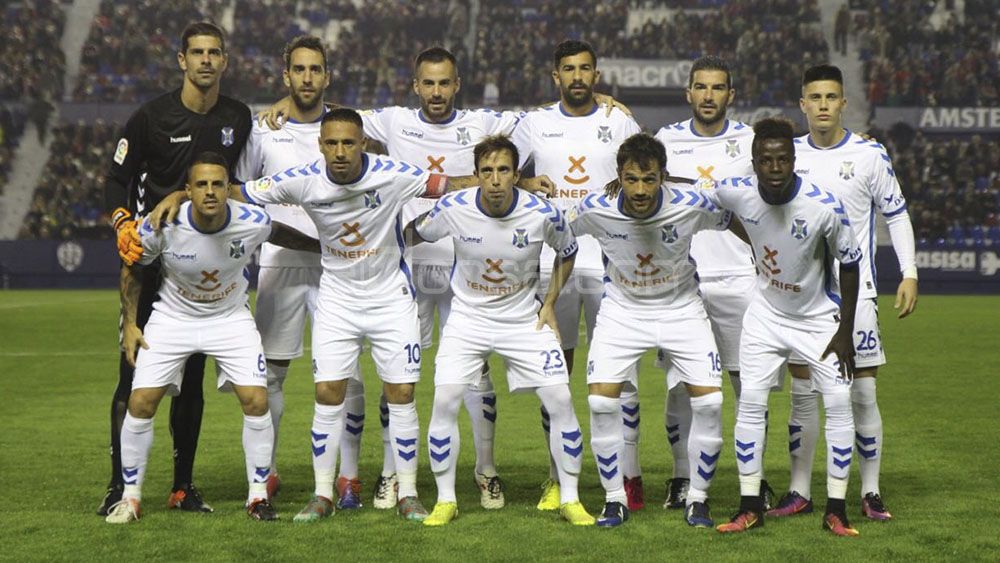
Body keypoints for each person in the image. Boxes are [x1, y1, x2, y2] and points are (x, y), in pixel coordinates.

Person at [237, 108, 465, 523]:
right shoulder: (303, 179)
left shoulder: (392, 173)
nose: (340, 151)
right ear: (321, 145)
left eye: (348, 143)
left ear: (363, 143)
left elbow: (449, 184)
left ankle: (408, 492)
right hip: (338, 303)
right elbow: (240, 192)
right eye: (332, 143)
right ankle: (323, 494)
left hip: (391, 300)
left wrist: (512, 184)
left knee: (402, 396)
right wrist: (180, 196)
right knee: (327, 395)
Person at [106, 152, 318, 524]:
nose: (210, 191)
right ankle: (130, 498)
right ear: (187, 190)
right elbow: (132, 266)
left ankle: (257, 497)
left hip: (229, 319)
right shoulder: (162, 225)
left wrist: (322, 246)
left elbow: (279, 232)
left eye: (217, 184)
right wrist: (130, 326)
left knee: (256, 399)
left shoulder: (250, 220)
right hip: (173, 318)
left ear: (227, 188)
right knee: (140, 403)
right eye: (201, 184)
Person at [100, 21, 252, 516]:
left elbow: (233, 184)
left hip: (201, 267)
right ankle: (118, 487)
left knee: (192, 377)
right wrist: (124, 222)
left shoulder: (239, 117)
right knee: (133, 380)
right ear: (181, 60)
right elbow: (115, 179)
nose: (206, 60)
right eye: (197, 53)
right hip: (151, 265)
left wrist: (185, 194)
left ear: (224, 61)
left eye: (215, 52)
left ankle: (183, 486)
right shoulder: (150, 117)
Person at [406, 135, 594, 527]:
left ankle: (571, 499)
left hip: (524, 319)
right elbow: (413, 233)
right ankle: (446, 501)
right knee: (444, 401)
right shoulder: (452, 207)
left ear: (515, 175)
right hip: (467, 320)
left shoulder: (542, 212)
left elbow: (568, 252)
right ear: (476, 175)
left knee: (560, 399)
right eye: (487, 171)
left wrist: (550, 301)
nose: (494, 180)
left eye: (503, 170)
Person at [766, 64, 917, 521]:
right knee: (803, 394)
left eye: (832, 98)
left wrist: (909, 272)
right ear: (803, 104)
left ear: (843, 103)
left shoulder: (869, 155)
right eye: (816, 98)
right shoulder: (786, 155)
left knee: (864, 395)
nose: (824, 106)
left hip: (859, 292)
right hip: (801, 295)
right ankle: (799, 490)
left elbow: (897, 213)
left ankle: (869, 492)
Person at [709, 117, 863, 537]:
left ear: (794, 160)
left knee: (837, 405)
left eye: (783, 159)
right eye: (766, 160)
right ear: (754, 163)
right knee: (751, 404)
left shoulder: (824, 206)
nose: (775, 168)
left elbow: (850, 265)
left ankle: (835, 508)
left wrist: (845, 331)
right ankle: (749, 505)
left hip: (819, 321)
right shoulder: (736, 192)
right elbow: (700, 197)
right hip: (765, 316)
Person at [574, 134, 735, 528]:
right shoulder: (594, 208)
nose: (641, 190)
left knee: (711, 404)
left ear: (664, 176)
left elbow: (734, 220)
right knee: (600, 403)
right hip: (622, 311)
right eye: (631, 180)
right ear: (619, 178)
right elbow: (557, 233)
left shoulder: (691, 204)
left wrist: (768, 263)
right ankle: (614, 500)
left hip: (682, 309)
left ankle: (698, 498)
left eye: (649, 179)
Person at [511, 39, 644, 511]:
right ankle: (556, 477)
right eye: (569, 69)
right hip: (555, 261)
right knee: (556, 372)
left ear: (597, 75)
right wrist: (525, 181)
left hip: (613, 258)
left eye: (585, 69)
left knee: (621, 372)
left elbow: (647, 168)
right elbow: (498, 166)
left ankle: (630, 477)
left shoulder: (618, 120)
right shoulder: (534, 123)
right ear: (556, 76)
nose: (577, 77)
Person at [230, 34, 338, 506]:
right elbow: (238, 190)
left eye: (315, 69)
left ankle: (345, 477)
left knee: (342, 376)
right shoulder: (262, 130)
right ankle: (267, 471)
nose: (307, 77)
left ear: (327, 77)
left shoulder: (345, 128)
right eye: (300, 69)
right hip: (280, 264)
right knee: (272, 373)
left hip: (337, 266)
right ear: (286, 75)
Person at [652, 55, 763, 510]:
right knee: (681, 387)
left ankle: (750, 481)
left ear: (730, 95)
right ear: (688, 93)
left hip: (740, 277)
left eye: (718, 88)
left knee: (747, 387)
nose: (709, 96)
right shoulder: (666, 140)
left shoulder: (749, 140)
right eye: (701, 87)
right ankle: (681, 477)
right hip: (681, 282)